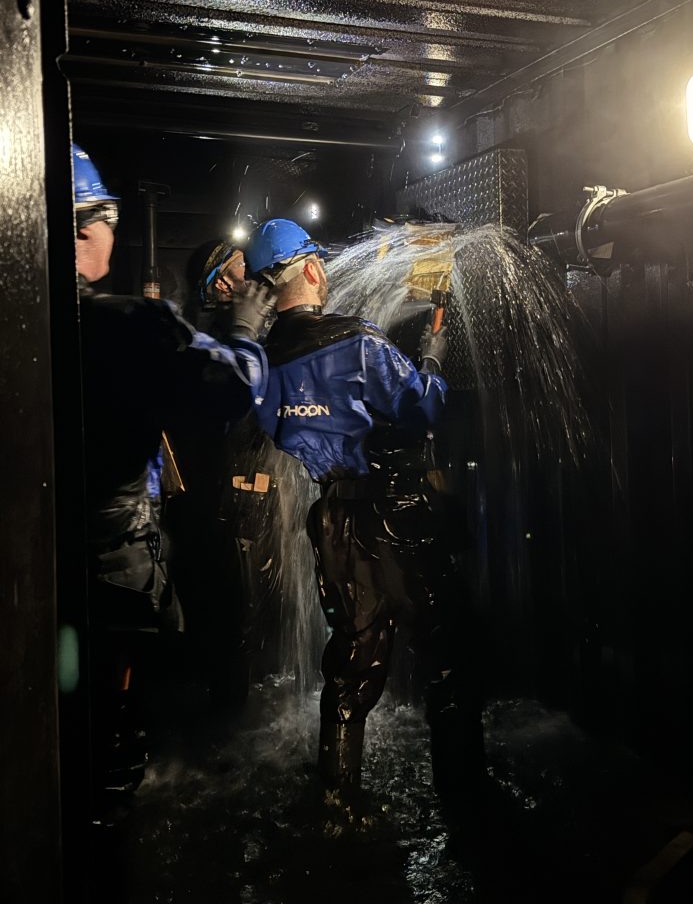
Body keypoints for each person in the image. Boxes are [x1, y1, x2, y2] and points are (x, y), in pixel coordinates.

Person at [245, 217, 487, 821]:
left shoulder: (259, 365)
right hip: (396, 512)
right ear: (308, 268)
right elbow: (420, 408)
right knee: (449, 654)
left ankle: (338, 799)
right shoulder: (357, 341)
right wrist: (433, 356)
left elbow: (283, 425)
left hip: (332, 520)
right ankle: (467, 797)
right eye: (319, 262)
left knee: (352, 665)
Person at [71, 144, 274, 800]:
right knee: (113, 733)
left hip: (62, 578)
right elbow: (223, 388)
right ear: (83, 226)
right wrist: (246, 334)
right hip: (114, 573)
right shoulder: (132, 325)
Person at [165, 239, 281, 708]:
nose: (254, 283)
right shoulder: (205, 342)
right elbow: (234, 404)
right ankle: (226, 725)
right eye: (242, 273)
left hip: (254, 504)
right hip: (225, 509)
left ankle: (244, 709)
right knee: (233, 620)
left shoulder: (246, 337)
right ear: (220, 285)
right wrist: (245, 333)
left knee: (255, 621)